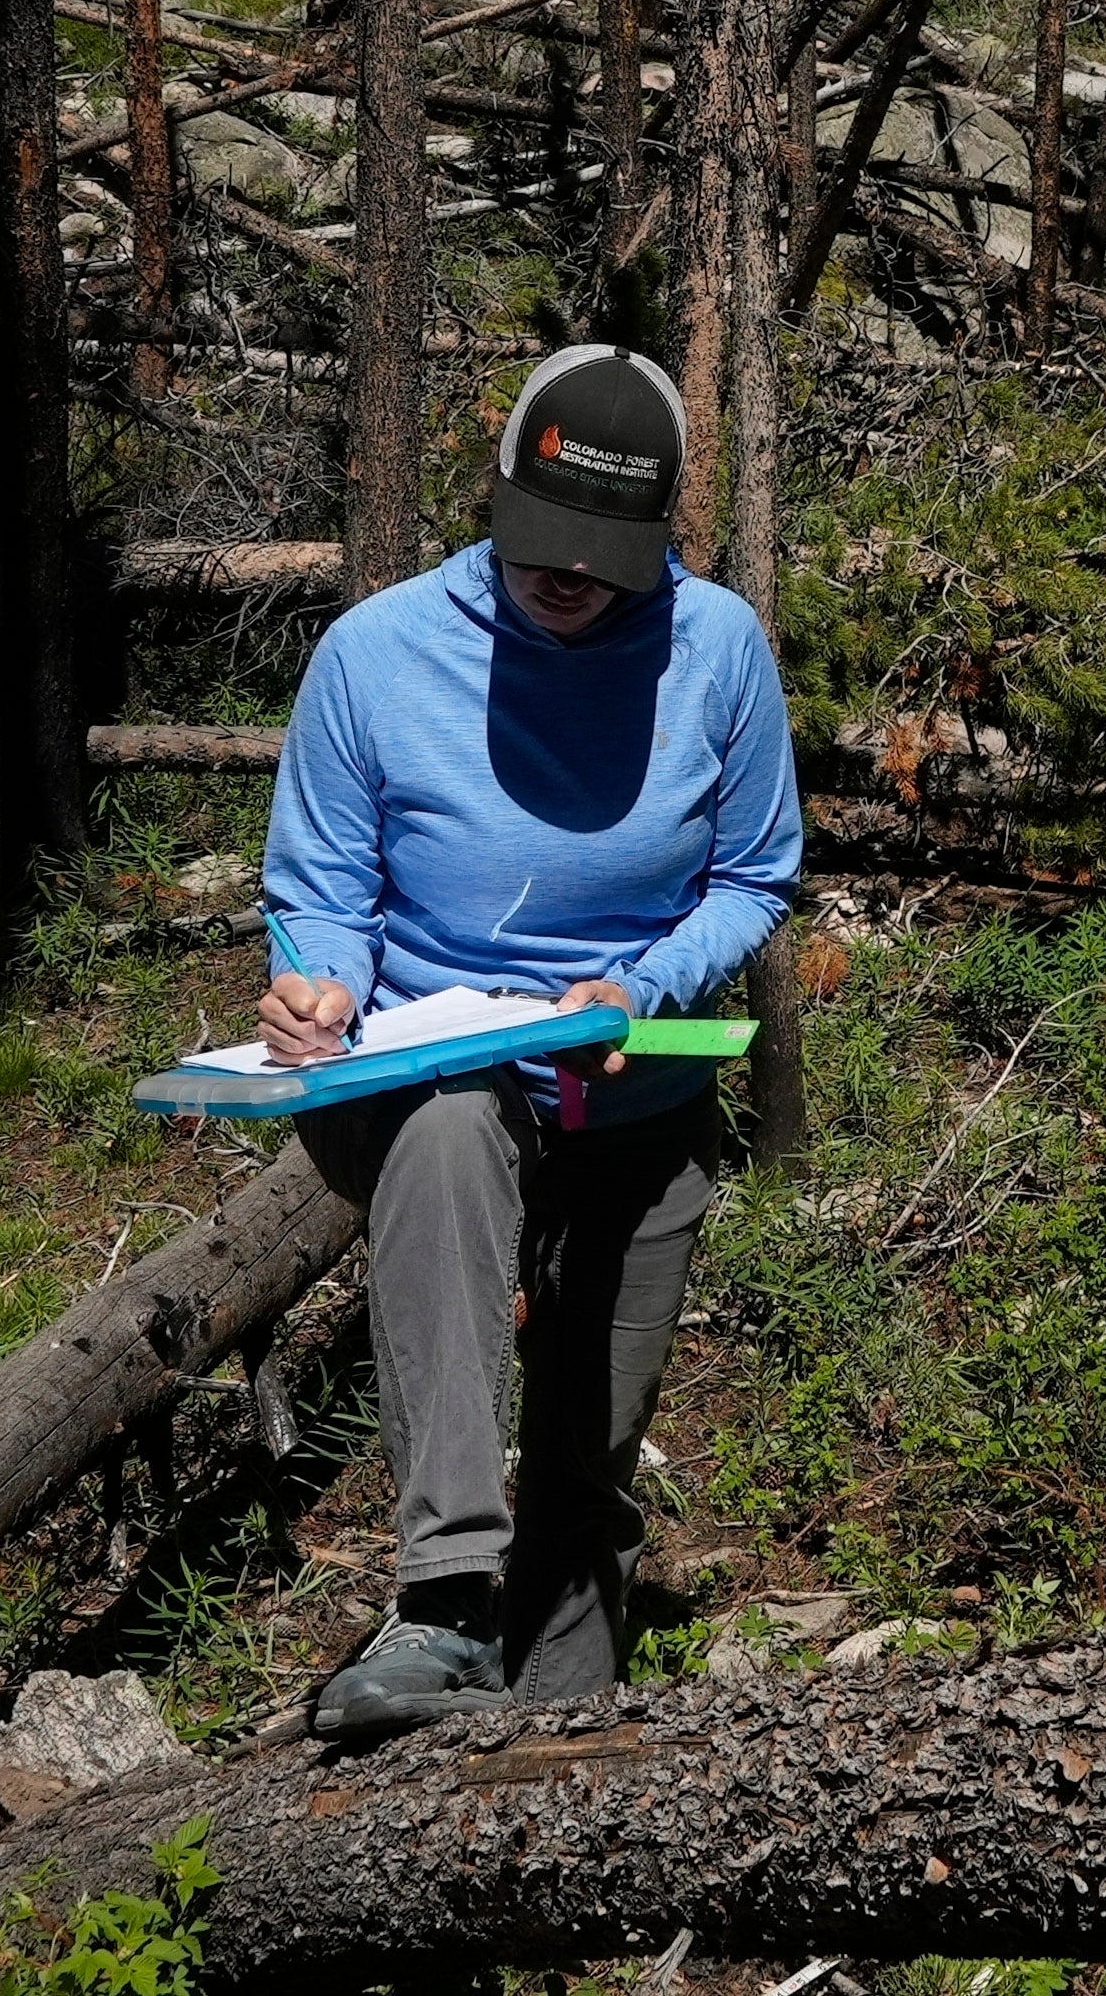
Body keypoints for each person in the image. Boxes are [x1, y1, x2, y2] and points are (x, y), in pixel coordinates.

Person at [255, 343, 802, 1739]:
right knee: (448, 1134)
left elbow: (752, 874)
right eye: (541, 542)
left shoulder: (719, 649)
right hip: (431, 1068)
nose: (566, 578)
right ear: (495, 496)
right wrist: (317, 983)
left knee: (587, 1452)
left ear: (662, 536)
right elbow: (324, 886)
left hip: (637, 1081)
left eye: (603, 557)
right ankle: (440, 1602)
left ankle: (556, 1737)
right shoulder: (376, 654)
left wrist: (640, 990)